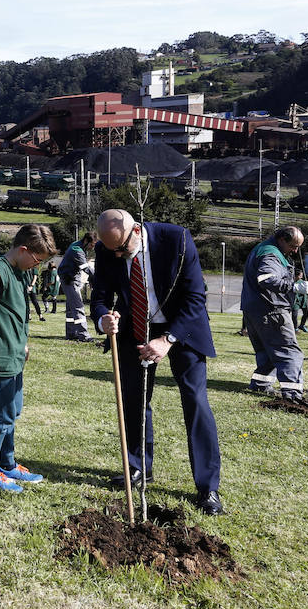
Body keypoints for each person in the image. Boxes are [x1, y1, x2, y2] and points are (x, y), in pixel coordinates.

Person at [90, 209, 224, 516]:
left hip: (182, 329)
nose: (119, 255)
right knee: (135, 399)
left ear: (136, 230)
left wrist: (168, 339)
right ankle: (138, 468)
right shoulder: (106, 249)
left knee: (195, 400)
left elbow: (194, 297)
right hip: (135, 327)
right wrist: (103, 318)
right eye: (113, 251)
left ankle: (207, 487)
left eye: (122, 249)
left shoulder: (176, 239)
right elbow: (99, 296)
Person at [0, 224, 57, 492]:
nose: (37, 266)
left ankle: (7, 464)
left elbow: (15, 312)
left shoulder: (20, 271)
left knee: (13, 411)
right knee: (2, 414)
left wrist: (24, 343)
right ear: (23, 250)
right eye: (37, 260)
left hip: (14, 353)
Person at [240, 226, 308, 401]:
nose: (295, 251)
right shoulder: (270, 254)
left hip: (253, 309)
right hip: (271, 309)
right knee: (288, 351)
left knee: (266, 351)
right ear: (282, 240)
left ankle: (261, 384)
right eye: (293, 246)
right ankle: (293, 394)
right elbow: (266, 279)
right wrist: (294, 286)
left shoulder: (263, 248)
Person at [59, 231, 96, 342]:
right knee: (78, 307)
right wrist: (99, 276)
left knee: (71, 309)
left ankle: (71, 333)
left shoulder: (77, 245)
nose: (92, 248)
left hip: (70, 278)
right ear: (86, 241)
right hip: (69, 280)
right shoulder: (77, 250)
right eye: (92, 245)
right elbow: (86, 268)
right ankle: (83, 335)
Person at [292, 262, 308, 333]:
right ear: (297, 275)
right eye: (300, 275)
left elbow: (307, 289)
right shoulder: (292, 282)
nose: (302, 275)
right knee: (294, 315)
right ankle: (295, 327)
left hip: (303, 300)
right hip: (296, 300)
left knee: (306, 313)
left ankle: (302, 325)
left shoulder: (303, 282)